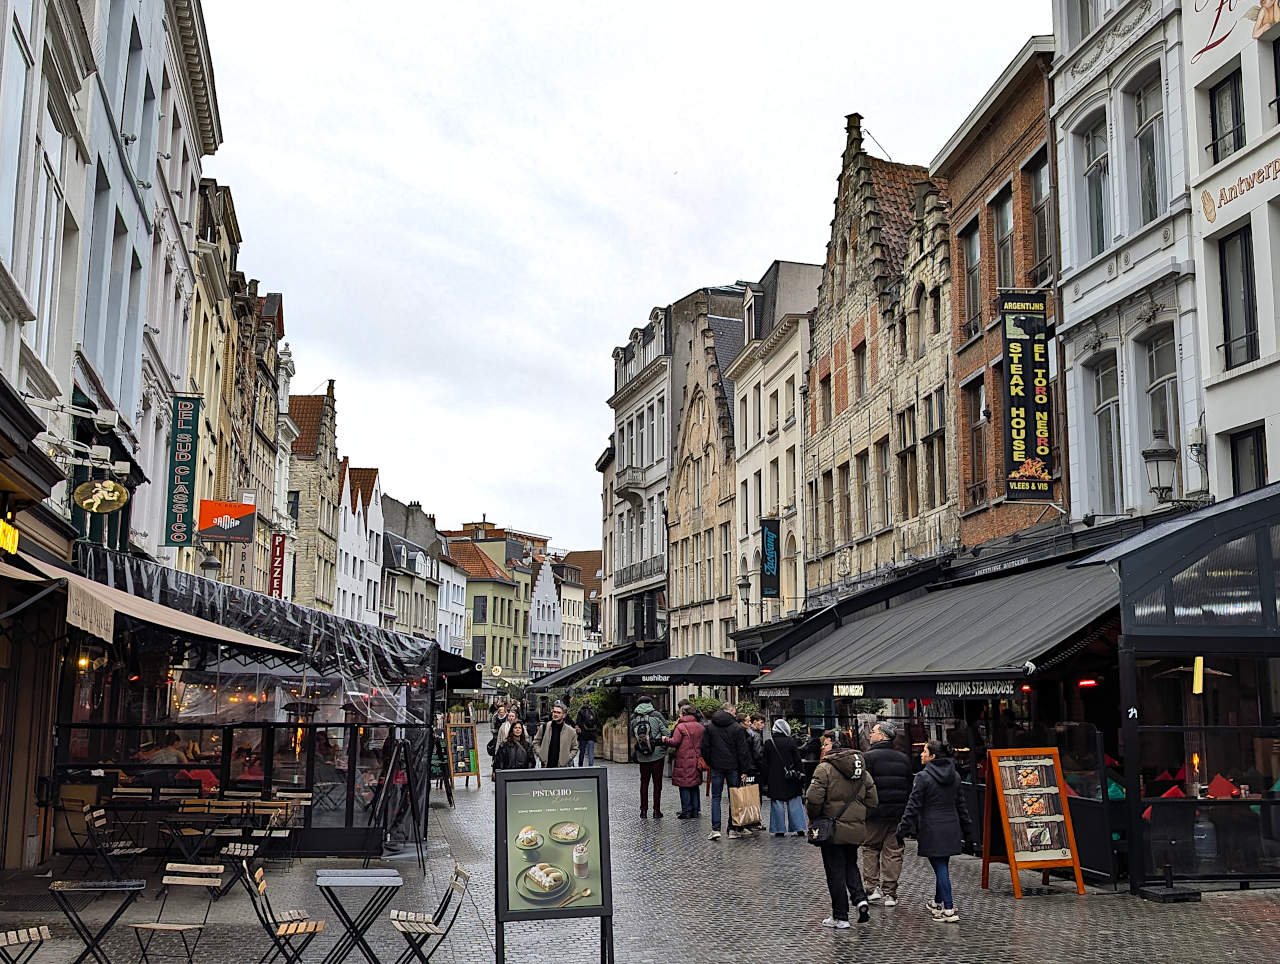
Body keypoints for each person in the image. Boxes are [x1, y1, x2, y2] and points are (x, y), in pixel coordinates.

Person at [805, 730, 878, 928]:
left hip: (831, 828)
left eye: (826, 743)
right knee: (850, 864)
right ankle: (860, 898)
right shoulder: (861, 769)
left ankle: (840, 916)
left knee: (835, 871)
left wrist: (815, 817)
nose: (823, 747)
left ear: (835, 745)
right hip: (854, 829)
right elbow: (873, 800)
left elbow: (813, 799)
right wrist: (858, 817)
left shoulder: (825, 769)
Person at [896, 740, 973, 924]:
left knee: (941, 868)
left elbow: (913, 806)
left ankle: (948, 908)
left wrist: (902, 829)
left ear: (932, 757)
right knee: (942, 865)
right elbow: (961, 805)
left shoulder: (923, 777)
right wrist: (968, 830)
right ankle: (938, 902)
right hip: (951, 826)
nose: (921, 754)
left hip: (932, 828)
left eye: (924, 751)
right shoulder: (954, 776)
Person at [862, 721, 911, 907]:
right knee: (893, 852)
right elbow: (908, 786)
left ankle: (872, 887)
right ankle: (890, 893)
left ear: (882, 735)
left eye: (873, 732)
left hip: (874, 813)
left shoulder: (868, 758)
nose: (870, 735)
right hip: (897, 814)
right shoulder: (903, 758)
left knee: (870, 848)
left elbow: (863, 786)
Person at [700, 702, 754, 841]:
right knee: (734, 798)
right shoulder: (737, 728)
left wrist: (711, 762)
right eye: (734, 712)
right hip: (733, 767)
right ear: (730, 711)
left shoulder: (710, 727)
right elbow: (742, 751)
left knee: (716, 797)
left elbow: (704, 748)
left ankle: (715, 829)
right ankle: (732, 829)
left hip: (717, 766)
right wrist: (744, 769)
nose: (735, 714)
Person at [762, 719, 806, 837]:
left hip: (775, 778)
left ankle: (779, 829)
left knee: (777, 803)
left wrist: (765, 781)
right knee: (795, 802)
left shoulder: (769, 743)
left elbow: (765, 764)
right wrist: (801, 775)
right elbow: (797, 760)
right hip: (791, 777)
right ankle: (799, 827)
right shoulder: (791, 742)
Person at [663, 705, 705, 819]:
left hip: (684, 760)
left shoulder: (680, 727)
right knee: (695, 784)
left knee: (684, 785)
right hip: (696, 759)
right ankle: (695, 810)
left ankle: (686, 810)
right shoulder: (700, 726)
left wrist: (665, 739)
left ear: (683, 713)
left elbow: (675, 741)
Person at [630, 699, 669, 818]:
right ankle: (656, 811)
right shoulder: (656, 715)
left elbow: (633, 734)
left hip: (642, 755)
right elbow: (667, 733)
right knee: (657, 783)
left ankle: (643, 811)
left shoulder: (634, 718)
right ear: (650, 704)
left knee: (644, 783)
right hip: (657, 755)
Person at [534, 701, 578, 768]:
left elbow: (574, 748)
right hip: (546, 767)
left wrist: (567, 759)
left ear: (564, 715)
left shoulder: (571, 731)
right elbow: (536, 742)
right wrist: (541, 754)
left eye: (558, 712)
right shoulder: (544, 727)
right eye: (554, 712)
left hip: (562, 768)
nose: (555, 714)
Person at [575, 701, 600, 767]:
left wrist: (580, 727)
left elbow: (578, 722)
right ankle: (591, 766)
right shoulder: (594, 711)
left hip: (583, 735)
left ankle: (580, 766)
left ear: (583, 704)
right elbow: (598, 722)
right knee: (591, 751)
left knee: (582, 751)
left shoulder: (580, 712)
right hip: (592, 734)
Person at [743, 715, 765, 780]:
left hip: (745, 766)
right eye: (761, 722)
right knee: (756, 788)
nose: (763, 725)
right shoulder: (756, 735)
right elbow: (758, 754)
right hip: (754, 767)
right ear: (755, 722)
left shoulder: (746, 731)